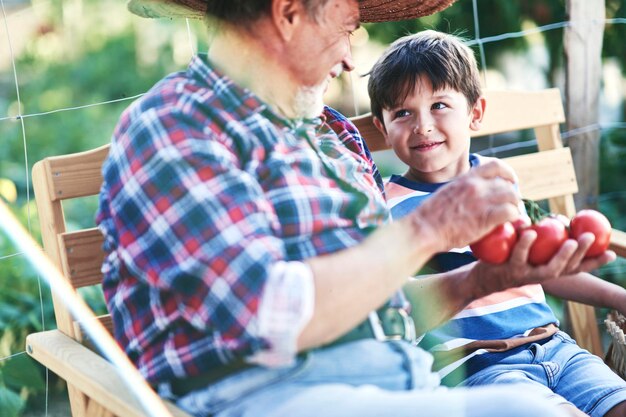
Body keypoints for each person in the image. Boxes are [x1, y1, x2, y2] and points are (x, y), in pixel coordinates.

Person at [97, 1, 611, 416]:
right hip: (277, 394)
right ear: (289, 12)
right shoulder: (179, 127)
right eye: (348, 28)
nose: (348, 58)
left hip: (399, 381)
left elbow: (378, 300)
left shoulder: (329, 136)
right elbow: (270, 317)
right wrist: (430, 227)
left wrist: (482, 280)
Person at [368, 29, 626, 417]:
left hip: (556, 348)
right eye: (403, 113)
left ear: (475, 113)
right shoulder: (389, 207)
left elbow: (535, 270)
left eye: (439, 105)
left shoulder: (496, 180)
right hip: (476, 370)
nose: (422, 124)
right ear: (383, 127)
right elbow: (399, 302)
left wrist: (618, 297)